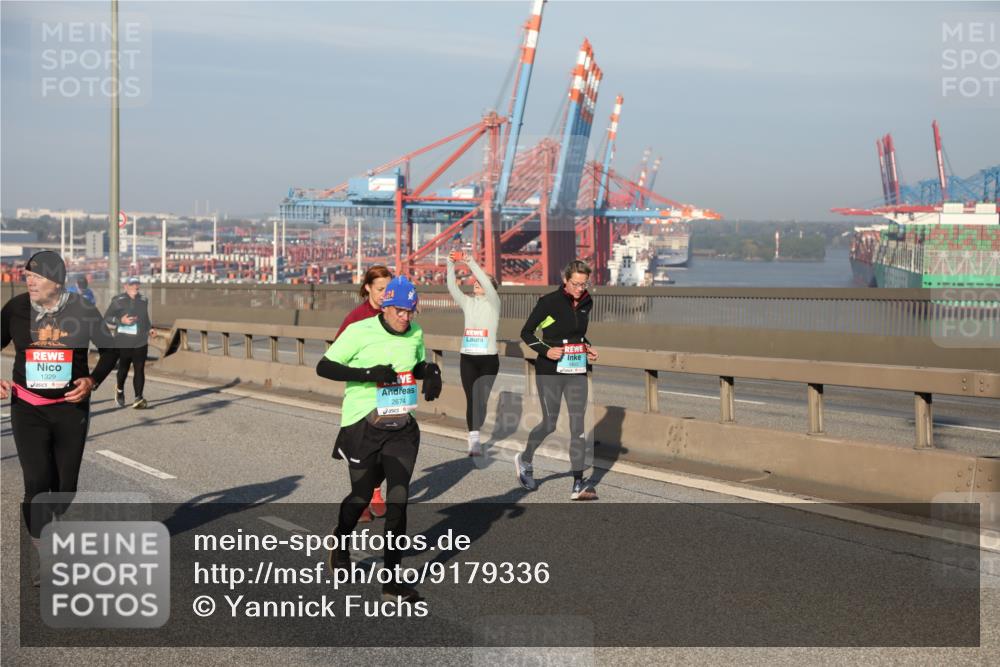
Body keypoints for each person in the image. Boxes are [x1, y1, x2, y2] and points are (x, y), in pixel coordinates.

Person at [316, 276, 442, 602]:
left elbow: (413, 366)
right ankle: (341, 541)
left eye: (411, 311)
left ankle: (391, 582)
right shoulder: (359, 331)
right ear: (386, 307)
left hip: (401, 426)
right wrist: (368, 374)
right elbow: (325, 367)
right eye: (400, 310)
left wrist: (430, 373)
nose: (406, 317)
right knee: (360, 496)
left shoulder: (415, 332)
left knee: (398, 502)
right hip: (362, 425)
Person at [0, 251, 118, 582]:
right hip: (28, 409)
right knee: (36, 484)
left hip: (70, 411)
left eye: (36, 276)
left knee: (63, 490)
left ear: (56, 281)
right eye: (27, 275)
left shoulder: (81, 309)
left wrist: (92, 380)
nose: (28, 280)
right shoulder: (16, 310)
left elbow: (110, 350)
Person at [515, 260, 600, 500]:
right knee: (550, 423)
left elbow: (577, 335)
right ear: (565, 280)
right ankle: (525, 459)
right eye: (575, 283)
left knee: (577, 426)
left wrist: (588, 348)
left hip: (576, 371)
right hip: (550, 369)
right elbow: (526, 332)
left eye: (584, 284)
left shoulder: (586, 302)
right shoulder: (549, 302)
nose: (580, 288)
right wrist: (545, 351)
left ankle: (578, 483)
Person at [334, 265, 392, 521]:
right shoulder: (356, 318)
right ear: (367, 288)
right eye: (380, 289)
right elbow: (337, 356)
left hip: (391, 394)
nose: (384, 295)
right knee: (362, 449)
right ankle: (365, 495)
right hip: (363, 393)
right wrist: (365, 371)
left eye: (389, 290)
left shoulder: (397, 314)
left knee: (390, 447)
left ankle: (375, 489)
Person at [446, 250, 501, 456]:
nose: (477, 283)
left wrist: (470, 262)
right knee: (472, 398)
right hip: (468, 358)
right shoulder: (468, 303)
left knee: (481, 399)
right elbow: (452, 287)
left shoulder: (494, 304)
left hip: (488, 360)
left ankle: (477, 430)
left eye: (482, 281)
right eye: (476, 281)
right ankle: (474, 439)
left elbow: (487, 284)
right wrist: (450, 263)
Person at [103, 276, 155, 409]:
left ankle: (138, 397)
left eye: (137, 284)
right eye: (131, 285)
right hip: (123, 340)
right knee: (124, 367)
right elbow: (107, 317)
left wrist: (151, 329)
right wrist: (121, 321)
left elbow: (145, 318)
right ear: (125, 286)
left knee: (139, 368)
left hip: (140, 340)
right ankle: (119, 390)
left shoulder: (144, 300)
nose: (135, 287)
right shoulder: (118, 300)